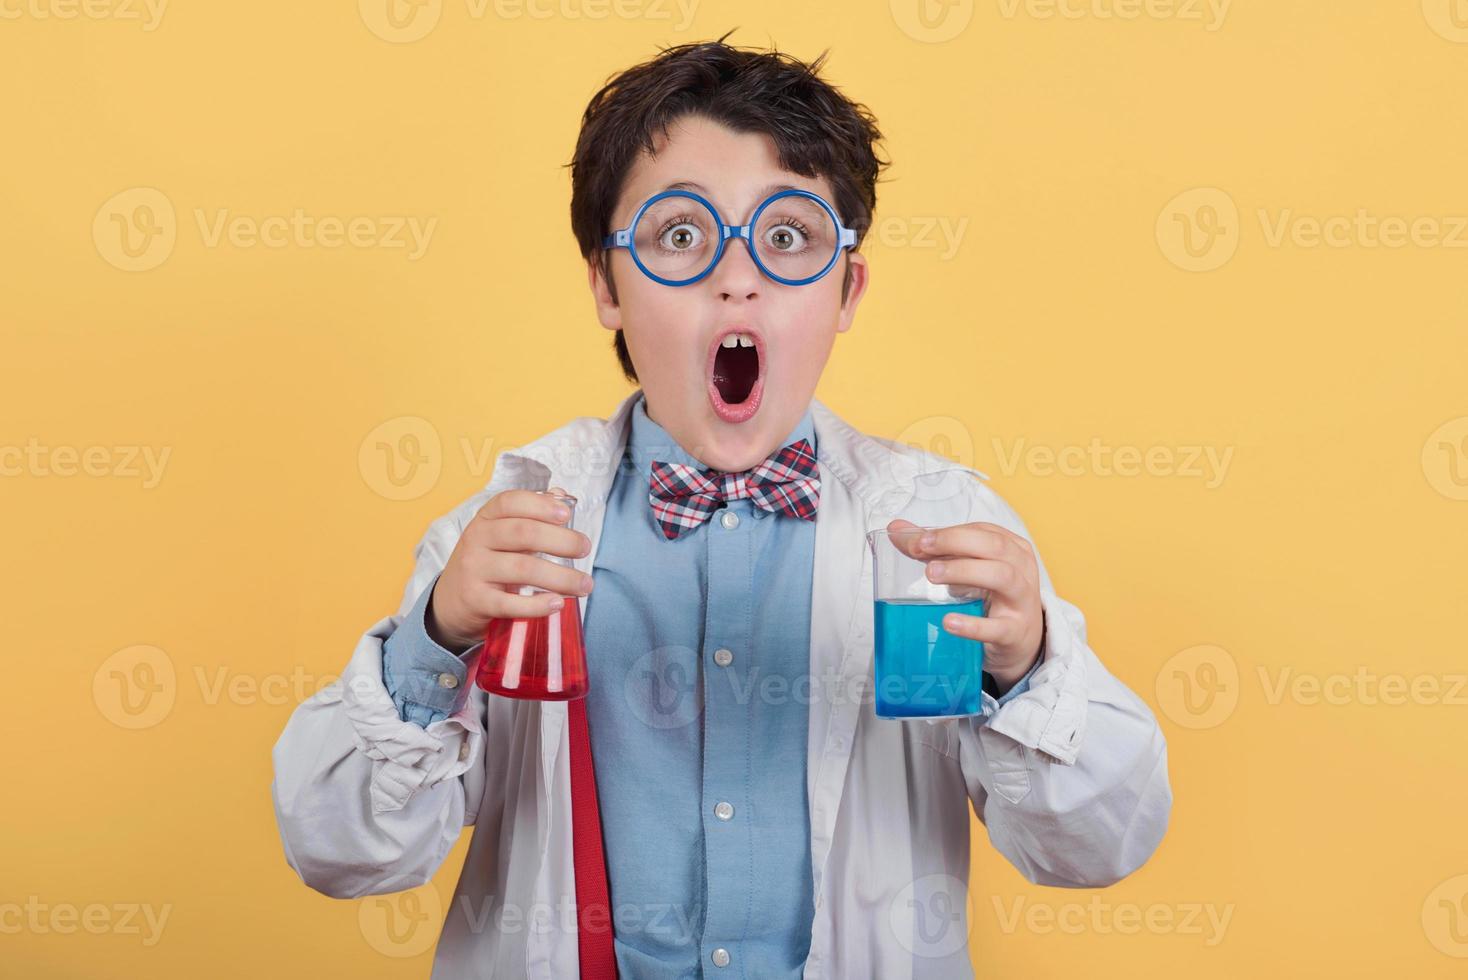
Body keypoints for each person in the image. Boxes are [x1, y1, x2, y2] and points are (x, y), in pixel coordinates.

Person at [271, 35, 1172, 980]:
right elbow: (343, 854)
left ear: (846, 289)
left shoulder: (939, 534)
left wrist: (1026, 669)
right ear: (604, 285)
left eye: (787, 237)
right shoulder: (509, 534)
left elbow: (1097, 849)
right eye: (680, 235)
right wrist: (436, 639)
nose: (735, 276)